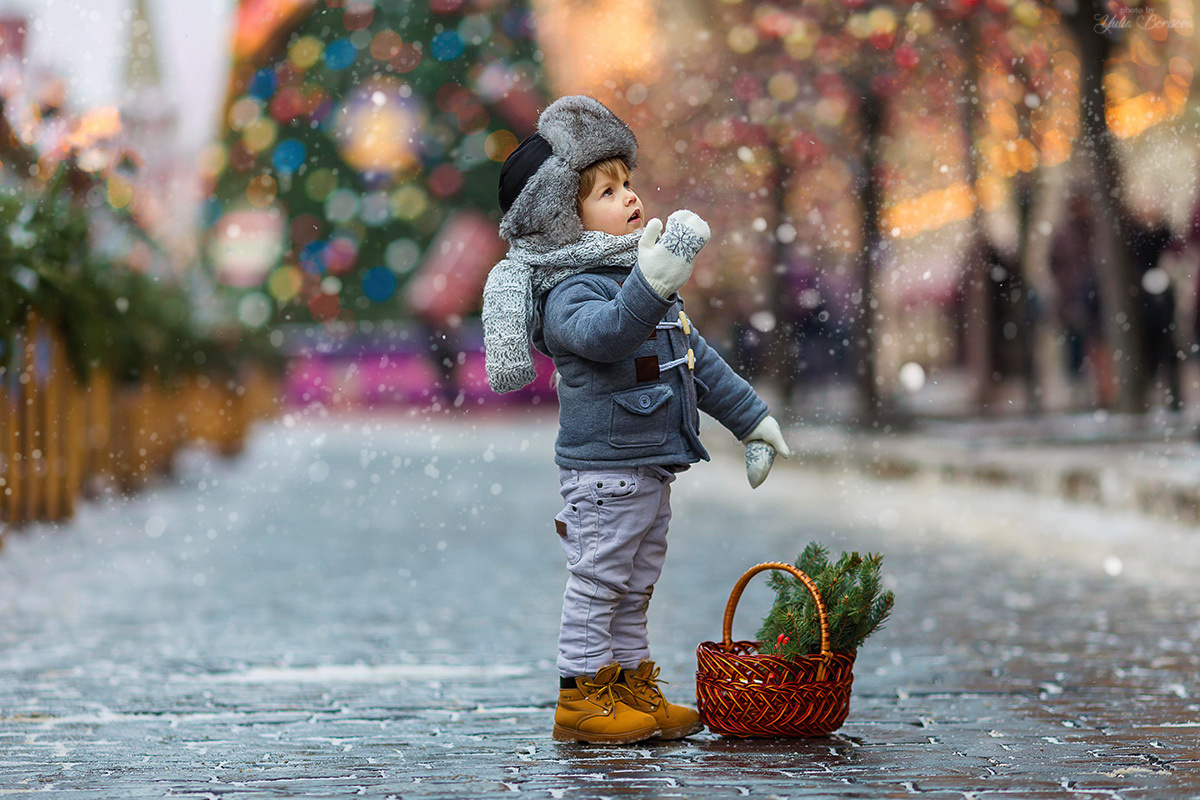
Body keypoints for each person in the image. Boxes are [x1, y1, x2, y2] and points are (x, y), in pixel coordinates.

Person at [481, 95, 790, 745]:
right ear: (563, 216)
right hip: (604, 473)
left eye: (627, 183)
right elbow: (606, 335)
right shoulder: (572, 289)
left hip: (648, 469)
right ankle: (580, 697)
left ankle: (628, 686)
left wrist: (751, 420)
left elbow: (694, 359)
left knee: (634, 588)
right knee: (599, 585)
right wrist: (651, 282)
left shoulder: (637, 279)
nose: (629, 197)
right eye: (606, 191)